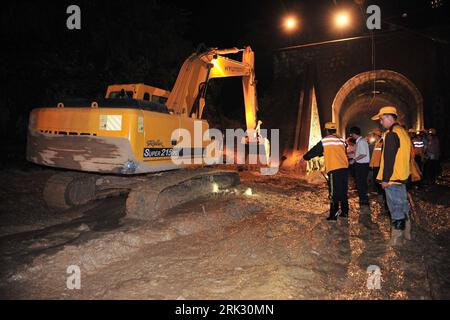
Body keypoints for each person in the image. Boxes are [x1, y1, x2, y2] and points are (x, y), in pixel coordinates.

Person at [371, 106, 411, 246]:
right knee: (403, 205)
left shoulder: (391, 133)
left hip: (392, 178)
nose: (381, 122)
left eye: (381, 119)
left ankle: (397, 238)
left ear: (389, 117)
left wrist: (385, 179)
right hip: (402, 176)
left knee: (395, 207)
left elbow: (389, 158)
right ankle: (407, 232)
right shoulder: (403, 132)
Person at [302, 122, 349, 221]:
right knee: (343, 191)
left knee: (333, 192)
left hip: (334, 169)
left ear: (327, 131)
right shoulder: (341, 140)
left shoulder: (326, 140)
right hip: (344, 168)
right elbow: (339, 152)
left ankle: (333, 215)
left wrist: (305, 158)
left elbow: (315, 150)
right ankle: (345, 212)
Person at [349, 126, 370, 214]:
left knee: (361, 183)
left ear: (354, 134)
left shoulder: (361, 142)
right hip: (361, 165)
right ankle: (363, 199)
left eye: (351, 134)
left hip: (362, 165)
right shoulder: (360, 141)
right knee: (360, 183)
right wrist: (350, 156)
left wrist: (354, 160)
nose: (350, 135)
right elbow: (359, 153)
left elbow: (363, 154)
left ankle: (364, 201)